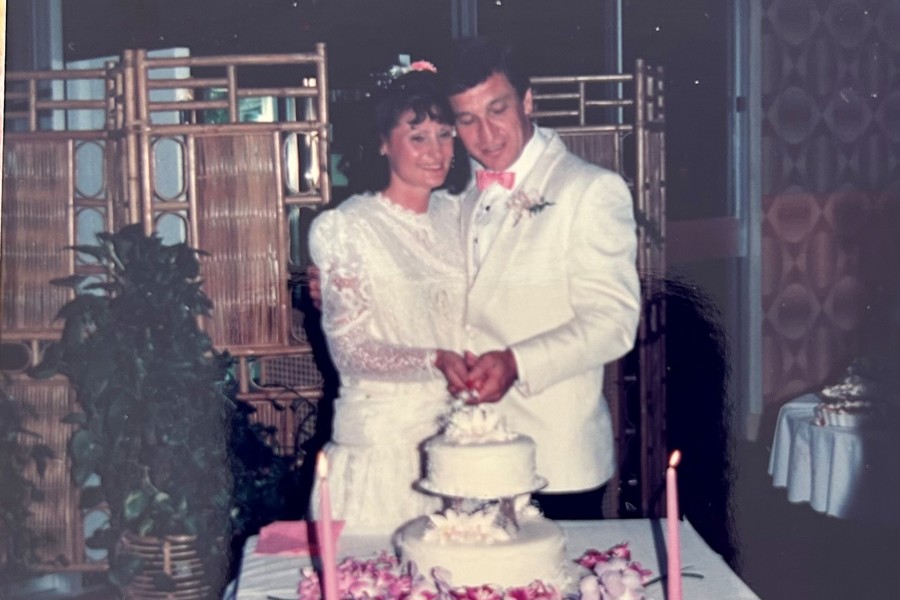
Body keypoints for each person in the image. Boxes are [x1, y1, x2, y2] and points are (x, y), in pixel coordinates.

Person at [439, 38, 641, 519]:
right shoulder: (456, 193)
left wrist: (517, 363)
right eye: (467, 120)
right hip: (468, 452)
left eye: (497, 110)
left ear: (527, 101)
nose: (486, 135)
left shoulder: (589, 189)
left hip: (555, 459)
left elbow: (613, 323)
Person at [307, 65, 470, 534]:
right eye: (417, 137)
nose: (436, 151)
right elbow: (350, 353)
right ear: (382, 142)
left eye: (445, 134)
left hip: (458, 441)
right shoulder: (346, 227)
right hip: (383, 448)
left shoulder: (460, 215)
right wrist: (435, 359)